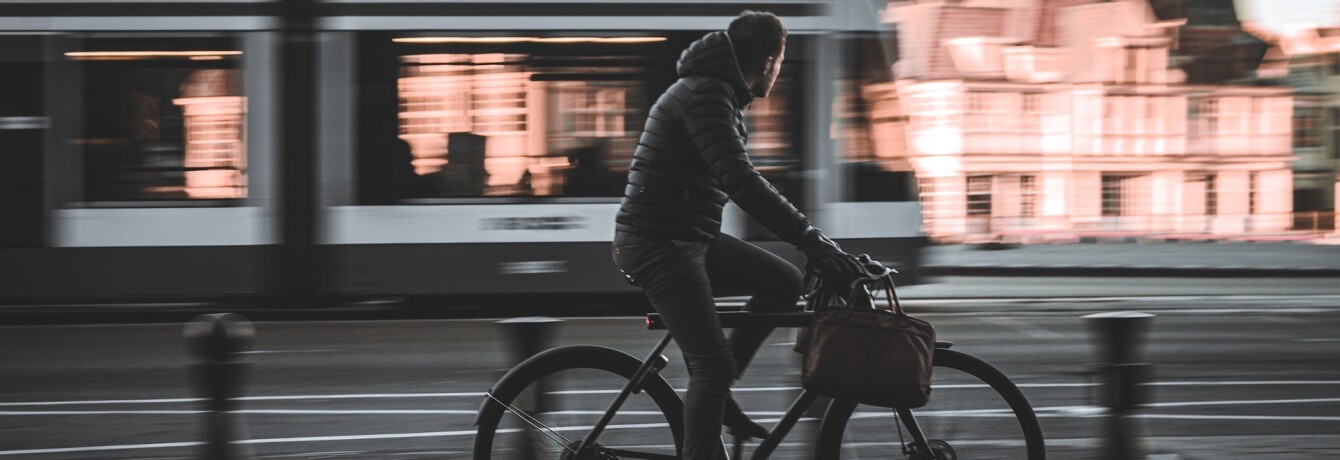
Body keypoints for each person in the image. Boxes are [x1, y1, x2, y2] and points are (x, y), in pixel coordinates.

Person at [611, 11, 864, 460]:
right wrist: (811, 239)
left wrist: (811, 243)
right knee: (709, 365)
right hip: (659, 245)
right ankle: (713, 400)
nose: (779, 71)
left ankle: (720, 395)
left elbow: (737, 178)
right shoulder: (706, 95)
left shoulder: (716, 92)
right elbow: (741, 180)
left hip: (686, 237)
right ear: (769, 61)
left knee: (785, 282)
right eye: (780, 61)